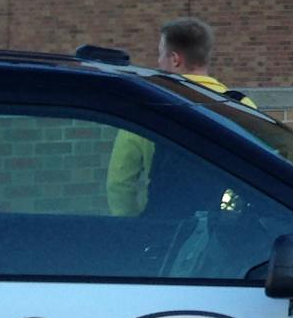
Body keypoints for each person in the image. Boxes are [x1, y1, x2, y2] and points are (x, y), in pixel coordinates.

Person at [107, 17, 254, 216]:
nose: (158, 62)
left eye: (160, 54)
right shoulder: (242, 107)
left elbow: (120, 183)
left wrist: (132, 227)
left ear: (175, 59)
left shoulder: (147, 109)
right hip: (222, 232)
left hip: (165, 230)